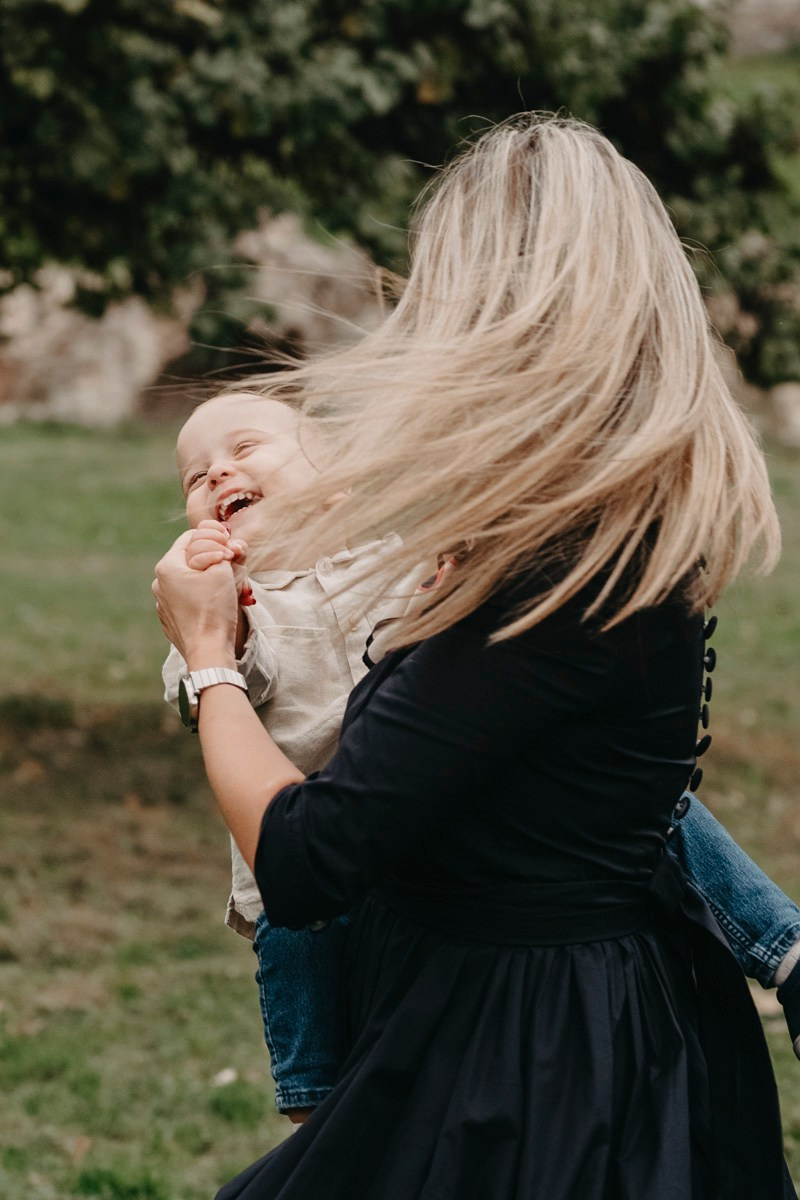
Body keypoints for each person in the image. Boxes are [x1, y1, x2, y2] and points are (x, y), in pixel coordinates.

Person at [154, 115, 797, 1198]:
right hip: (531, 1018)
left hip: (533, 1074)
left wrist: (208, 655)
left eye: (433, 288)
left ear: (504, 313)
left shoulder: (558, 571)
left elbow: (311, 859)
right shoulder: (580, 526)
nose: (412, 317)